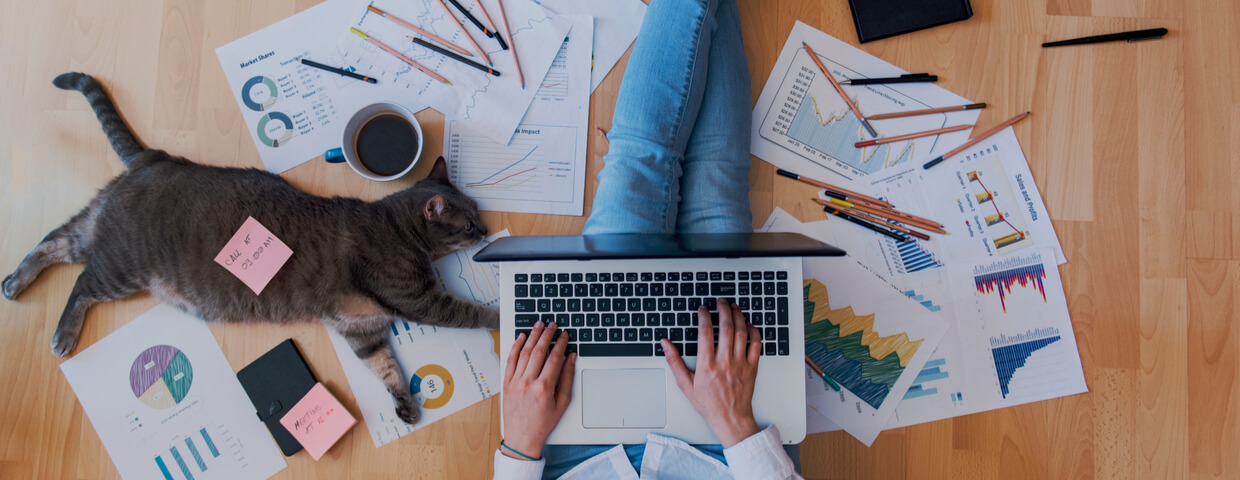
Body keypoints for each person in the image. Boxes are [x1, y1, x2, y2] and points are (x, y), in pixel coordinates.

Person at [492, 0, 803, 477]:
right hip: (724, 449)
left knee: (640, 162)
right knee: (715, 182)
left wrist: (517, 446)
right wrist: (736, 423)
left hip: (573, 445)